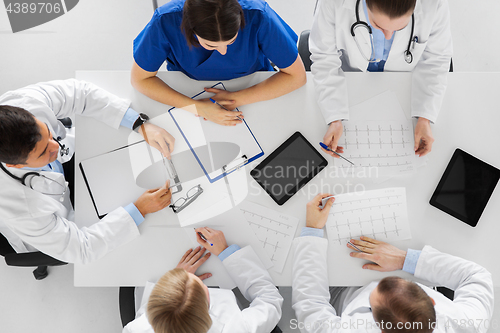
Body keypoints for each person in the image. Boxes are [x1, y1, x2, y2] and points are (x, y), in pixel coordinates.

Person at [0, 79, 176, 264]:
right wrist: (139, 210)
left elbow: (80, 93)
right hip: (47, 219)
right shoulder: (21, 208)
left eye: (48, 133)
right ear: (16, 165)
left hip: (63, 168)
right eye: (44, 151)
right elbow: (81, 249)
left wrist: (138, 123)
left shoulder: (22, 103)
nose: (56, 146)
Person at [292, 194, 493, 332]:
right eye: (408, 287)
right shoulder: (466, 324)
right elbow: (476, 276)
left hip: (342, 293)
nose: (380, 281)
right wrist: (403, 259)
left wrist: (312, 230)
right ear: (431, 301)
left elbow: (310, 306)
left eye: (373, 298)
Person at [311, 0, 452, 158]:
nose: (388, 36)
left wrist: (425, 116)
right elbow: (324, 58)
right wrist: (334, 116)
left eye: (400, 28)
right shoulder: (333, 3)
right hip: (352, 78)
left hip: (403, 83)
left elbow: (436, 60)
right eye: (378, 26)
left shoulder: (435, 4)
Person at [132, 0, 306, 126]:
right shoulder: (165, 20)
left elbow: (296, 76)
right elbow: (140, 79)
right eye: (210, 45)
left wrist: (235, 98)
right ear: (187, 27)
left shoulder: (258, 15)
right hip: (187, 88)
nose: (223, 52)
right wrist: (197, 107)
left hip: (256, 87)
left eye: (231, 42)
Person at [123, 227, 283, 333]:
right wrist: (227, 253)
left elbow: (144, 316)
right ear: (208, 300)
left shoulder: (135, 329)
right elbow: (270, 300)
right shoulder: (237, 328)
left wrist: (178, 275)